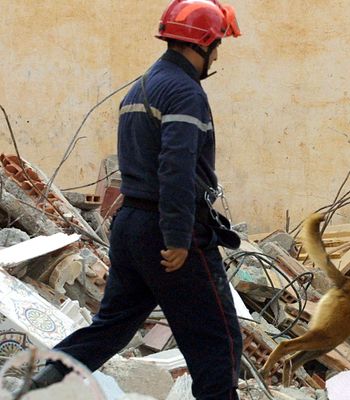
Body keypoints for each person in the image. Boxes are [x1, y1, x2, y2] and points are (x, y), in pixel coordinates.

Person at [31, 1, 243, 399]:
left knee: (113, 324)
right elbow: (175, 168)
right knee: (217, 337)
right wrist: (179, 237)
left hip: (131, 225)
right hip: (168, 231)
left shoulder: (143, 85)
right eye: (217, 45)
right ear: (204, 42)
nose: (217, 55)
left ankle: (41, 381)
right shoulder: (185, 93)